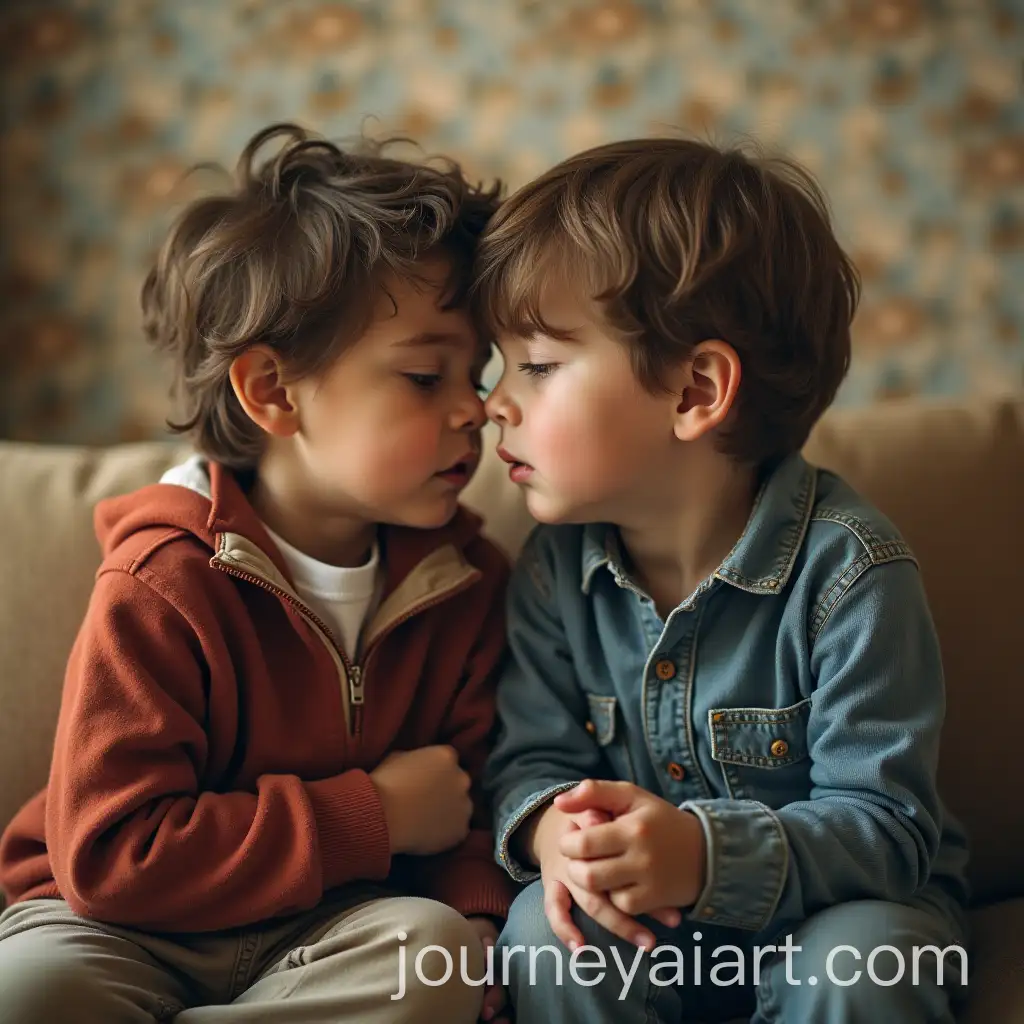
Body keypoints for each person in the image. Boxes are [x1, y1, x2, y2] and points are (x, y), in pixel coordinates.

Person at [0, 122, 514, 1024]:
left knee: (433, 957)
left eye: (476, 374)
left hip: (327, 932)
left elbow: (469, 815)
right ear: (273, 392)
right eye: (427, 376)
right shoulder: (164, 581)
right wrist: (373, 818)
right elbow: (113, 856)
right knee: (31, 990)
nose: (477, 410)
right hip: (120, 926)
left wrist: (477, 918)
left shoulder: (466, 585)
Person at [477, 137, 971, 1023]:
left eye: (539, 366)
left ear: (696, 390)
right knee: (541, 940)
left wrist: (705, 855)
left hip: (834, 917)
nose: (493, 402)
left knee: (867, 964)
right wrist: (553, 828)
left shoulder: (852, 569)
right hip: (655, 936)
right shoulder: (555, 570)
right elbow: (531, 758)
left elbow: (889, 828)